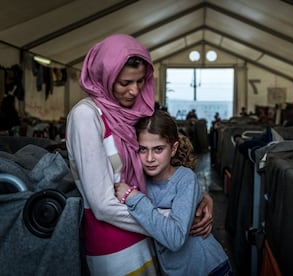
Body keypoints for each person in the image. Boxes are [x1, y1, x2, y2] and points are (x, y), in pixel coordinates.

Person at [66, 34, 214, 276]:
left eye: (140, 81)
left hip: (149, 236)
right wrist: (177, 222)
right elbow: (102, 205)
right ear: (105, 76)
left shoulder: (128, 115)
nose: (134, 91)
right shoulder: (86, 117)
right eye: (125, 82)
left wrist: (198, 197)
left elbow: (155, 174)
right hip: (114, 244)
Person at [115, 110, 232, 275]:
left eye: (158, 149)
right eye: (142, 149)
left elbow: (175, 238)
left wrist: (134, 198)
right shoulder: (140, 181)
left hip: (210, 269)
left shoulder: (185, 179)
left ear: (173, 148)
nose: (149, 158)